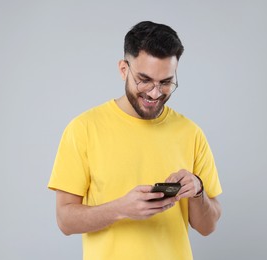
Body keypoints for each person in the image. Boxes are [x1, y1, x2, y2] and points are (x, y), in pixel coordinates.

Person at [48, 21, 222, 260]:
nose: (154, 93)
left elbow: (208, 226)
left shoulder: (191, 133)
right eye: (144, 79)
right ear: (123, 70)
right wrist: (121, 209)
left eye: (166, 82)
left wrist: (198, 190)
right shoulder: (83, 129)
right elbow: (65, 221)